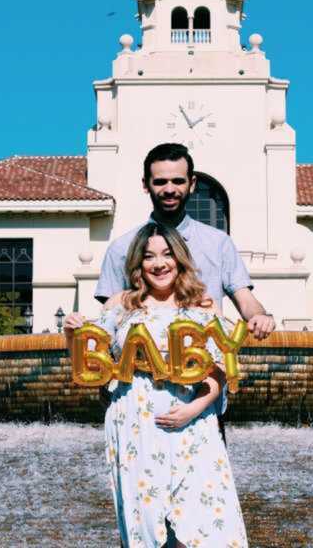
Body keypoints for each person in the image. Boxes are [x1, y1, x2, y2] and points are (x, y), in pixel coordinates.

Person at [65, 223, 248, 548]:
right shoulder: (120, 306)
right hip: (136, 425)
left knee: (205, 523)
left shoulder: (202, 305)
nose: (159, 263)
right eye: (149, 256)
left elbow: (220, 369)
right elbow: (91, 364)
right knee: (145, 525)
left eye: (167, 254)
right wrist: (71, 335)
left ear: (180, 259)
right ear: (138, 264)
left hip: (194, 424)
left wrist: (193, 409)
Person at [95, 143, 274, 341]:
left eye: (178, 181)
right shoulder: (121, 248)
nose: (169, 189)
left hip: (207, 365)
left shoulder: (219, 243)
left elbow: (245, 300)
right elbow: (109, 317)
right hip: (140, 366)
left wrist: (260, 317)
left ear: (192, 183)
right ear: (146, 184)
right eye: (160, 182)